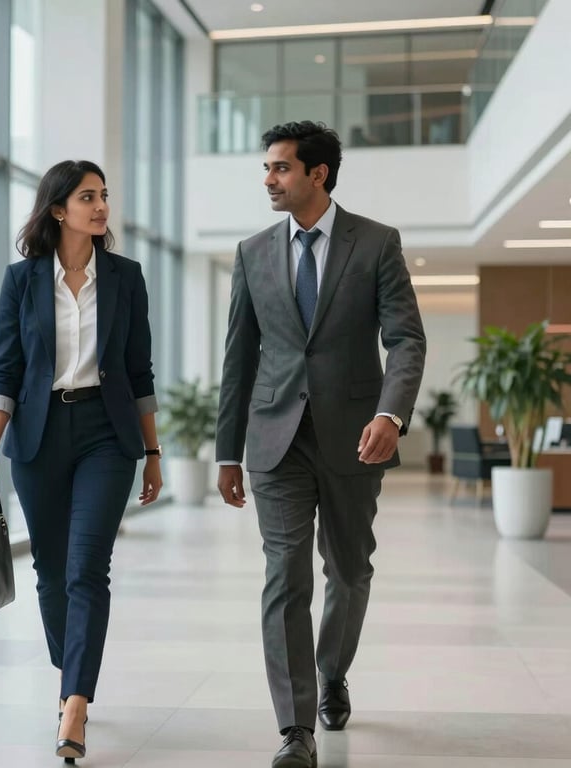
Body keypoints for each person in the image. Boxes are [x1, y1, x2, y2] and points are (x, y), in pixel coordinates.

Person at [215, 121, 426, 768]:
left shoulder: (376, 243)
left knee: (349, 570)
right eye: (267, 168)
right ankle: (294, 728)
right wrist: (227, 451)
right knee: (285, 575)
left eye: (280, 168)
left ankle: (332, 671)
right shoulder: (253, 252)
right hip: (275, 439)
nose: (268, 179)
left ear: (318, 174)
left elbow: (406, 339)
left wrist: (391, 414)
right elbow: (238, 356)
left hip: (356, 438)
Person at [0, 159, 163, 763]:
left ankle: (75, 703)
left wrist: (153, 451)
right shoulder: (22, 280)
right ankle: (70, 673)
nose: (101, 206)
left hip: (107, 435)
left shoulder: (126, 277)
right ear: (59, 209)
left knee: (87, 568)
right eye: (87, 196)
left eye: (103, 194)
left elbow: (139, 371)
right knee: (51, 572)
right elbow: (5, 370)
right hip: (38, 436)